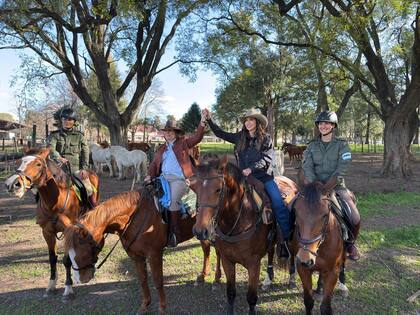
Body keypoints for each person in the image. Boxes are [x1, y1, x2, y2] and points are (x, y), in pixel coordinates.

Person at [202, 107, 291, 259]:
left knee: (278, 204)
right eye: (246, 120)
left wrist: (252, 168)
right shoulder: (239, 137)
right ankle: (217, 234)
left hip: (263, 177)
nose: (248, 123)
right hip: (242, 177)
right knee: (221, 199)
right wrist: (209, 119)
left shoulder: (266, 138)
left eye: (251, 120)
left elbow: (267, 158)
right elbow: (221, 133)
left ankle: (285, 241)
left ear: (257, 122)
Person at [302, 110, 361, 260]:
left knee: (353, 216)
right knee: (293, 207)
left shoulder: (342, 145)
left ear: (333, 126)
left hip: (336, 186)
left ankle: (350, 244)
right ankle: (289, 240)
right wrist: (315, 183)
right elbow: (307, 165)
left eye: (327, 123)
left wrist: (327, 186)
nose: (324, 126)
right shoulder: (311, 145)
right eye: (321, 123)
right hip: (314, 186)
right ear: (318, 126)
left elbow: (343, 167)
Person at [144, 114, 207, 247]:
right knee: (148, 195)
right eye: (166, 132)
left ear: (176, 133)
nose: (168, 134)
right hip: (163, 178)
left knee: (173, 202)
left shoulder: (184, 143)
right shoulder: (162, 148)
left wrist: (202, 122)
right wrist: (150, 175)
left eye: (171, 132)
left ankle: (174, 232)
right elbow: (154, 165)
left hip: (179, 179)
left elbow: (197, 137)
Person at [47, 107, 96, 206]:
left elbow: (85, 153)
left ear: (74, 121)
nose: (67, 121)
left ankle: (92, 209)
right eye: (64, 119)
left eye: (69, 119)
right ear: (61, 120)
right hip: (57, 169)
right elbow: (50, 148)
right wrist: (58, 157)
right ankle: (44, 211)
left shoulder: (80, 136)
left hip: (75, 169)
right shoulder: (54, 135)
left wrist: (84, 169)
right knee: (42, 186)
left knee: (88, 188)